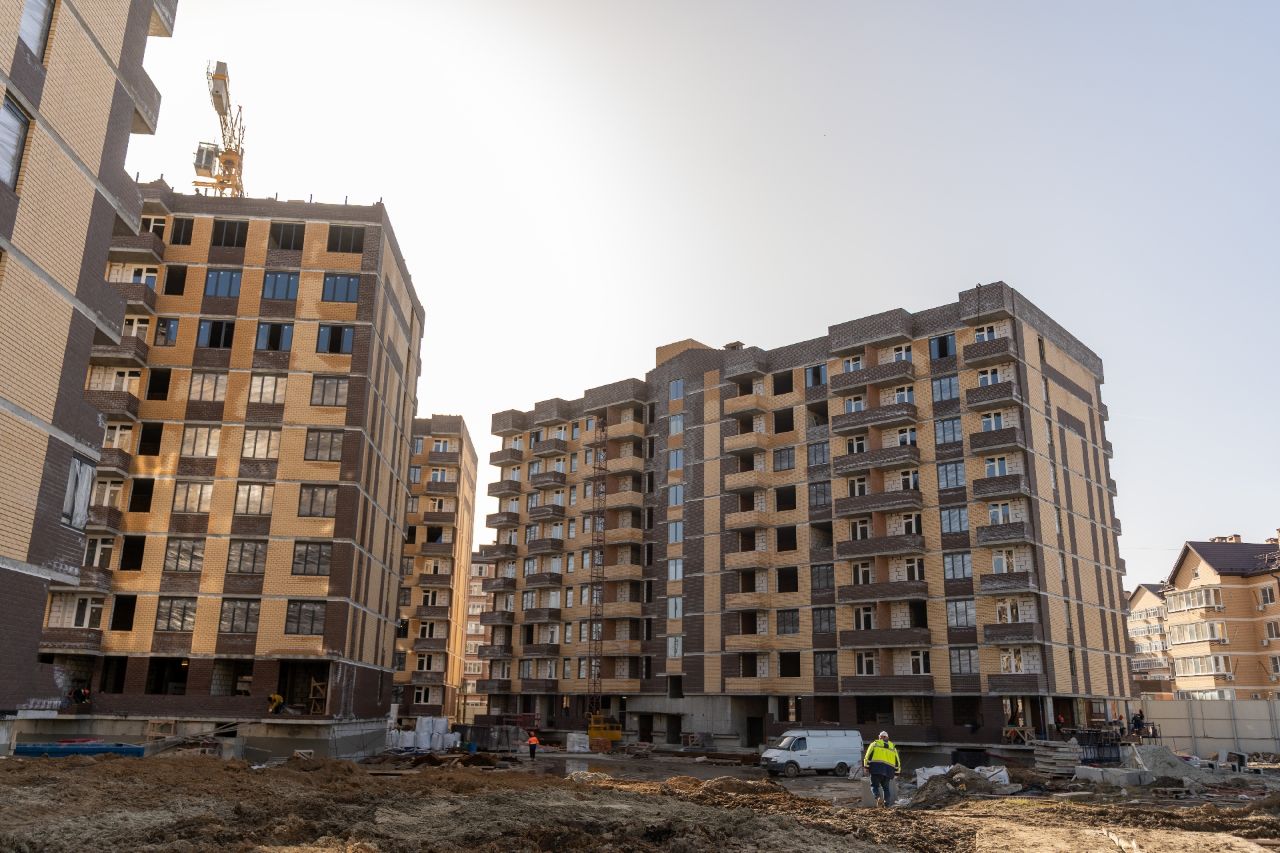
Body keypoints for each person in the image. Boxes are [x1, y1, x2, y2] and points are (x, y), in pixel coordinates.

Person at [862, 731, 900, 807]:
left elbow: (868, 756)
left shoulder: (874, 744)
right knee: (886, 788)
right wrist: (897, 772)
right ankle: (887, 804)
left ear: (880, 737)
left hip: (876, 769)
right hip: (888, 771)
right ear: (887, 738)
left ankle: (878, 797)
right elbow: (897, 761)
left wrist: (866, 767)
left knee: (874, 786)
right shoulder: (893, 747)